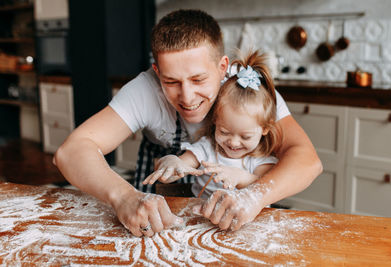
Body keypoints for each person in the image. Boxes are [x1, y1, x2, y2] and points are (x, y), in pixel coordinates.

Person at [54, 9, 322, 237]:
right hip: (160, 178)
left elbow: (307, 160)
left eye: (198, 80)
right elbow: (71, 151)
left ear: (222, 67)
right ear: (157, 71)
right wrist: (123, 197)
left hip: (237, 198)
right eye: (171, 82)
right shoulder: (143, 89)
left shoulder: (247, 88)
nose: (187, 97)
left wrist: (254, 197)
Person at [143, 50, 282, 202]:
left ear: (265, 129)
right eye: (224, 132)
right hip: (203, 217)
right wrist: (172, 163)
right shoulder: (207, 148)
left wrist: (242, 178)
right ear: (215, 121)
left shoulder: (261, 159)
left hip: (246, 220)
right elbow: (180, 166)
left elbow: (266, 186)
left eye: (245, 136)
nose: (234, 142)